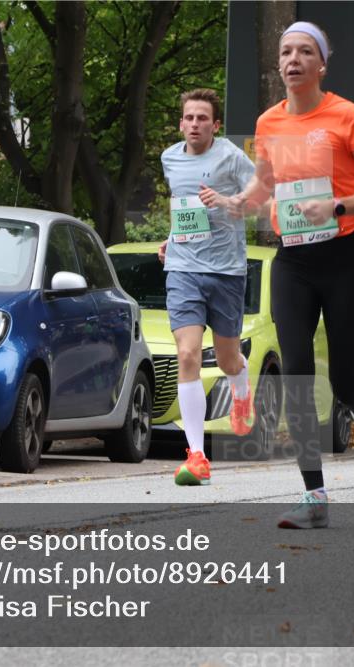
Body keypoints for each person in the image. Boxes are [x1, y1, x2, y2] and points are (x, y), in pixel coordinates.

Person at [213, 21, 354, 528]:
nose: (292, 60)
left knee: (344, 378)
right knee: (295, 371)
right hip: (293, 262)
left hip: (345, 258)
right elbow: (264, 185)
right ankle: (314, 496)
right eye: (285, 52)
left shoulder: (347, 116)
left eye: (304, 52)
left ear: (322, 64)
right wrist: (237, 203)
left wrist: (337, 206)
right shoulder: (269, 123)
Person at [157, 88, 257, 486]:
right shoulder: (169, 158)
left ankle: (241, 390)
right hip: (183, 269)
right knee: (187, 354)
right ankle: (196, 455)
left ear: (215, 125)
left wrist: (227, 201)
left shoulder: (231, 157)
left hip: (226, 271)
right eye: (189, 118)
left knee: (229, 359)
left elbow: (258, 199)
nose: (195, 124)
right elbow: (183, 208)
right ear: (181, 123)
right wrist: (171, 238)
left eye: (202, 118)